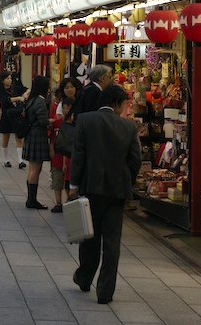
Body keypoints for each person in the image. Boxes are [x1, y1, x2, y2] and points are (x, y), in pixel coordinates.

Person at [69, 85, 141, 304]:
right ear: (117, 104)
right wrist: (126, 177)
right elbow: (135, 160)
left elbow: (78, 154)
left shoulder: (85, 120)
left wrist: (74, 184)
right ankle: (105, 291)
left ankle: (84, 278)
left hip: (90, 187)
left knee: (89, 237)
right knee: (112, 242)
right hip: (117, 190)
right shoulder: (128, 128)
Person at [23, 75, 51, 209]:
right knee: (36, 168)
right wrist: (53, 121)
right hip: (38, 134)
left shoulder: (31, 99)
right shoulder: (40, 101)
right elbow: (43, 121)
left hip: (31, 134)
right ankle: (32, 200)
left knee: (32, 168)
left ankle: (30, 198)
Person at [0, 72, 29, 168]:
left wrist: (25, 94)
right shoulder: (0, 91)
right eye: (7, 78)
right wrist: (18, 98)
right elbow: (7, 99)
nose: (9, 80)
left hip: (17, 116)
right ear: (2, 81)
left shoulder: (15, 87)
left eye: (10, 78)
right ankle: (6, 160)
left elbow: (28, 89)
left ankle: (20, 160)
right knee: (5, 138)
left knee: (19, 138)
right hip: (6, 116)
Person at [49, 97, 74, 213]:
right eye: (63, 108)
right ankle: (58, 202)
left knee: (68, 180)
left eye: (68, 108)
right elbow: (51, 138)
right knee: (57, 179)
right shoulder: (57, 123)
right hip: (57, 155)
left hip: (69, 157)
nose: (65, 110)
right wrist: (51, 150)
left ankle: (69, 201)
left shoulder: (75, 125)